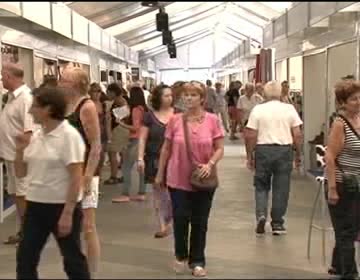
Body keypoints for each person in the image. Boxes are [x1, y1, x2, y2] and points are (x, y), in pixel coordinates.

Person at [14, 86, 90, 279]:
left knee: (72, 260)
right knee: (25, 258)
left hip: (61, 207)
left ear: (48, 109)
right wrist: (20, 150)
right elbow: (21, 173)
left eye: (35, 106)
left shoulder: (69, 137)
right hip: (35, 206)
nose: (30, 111)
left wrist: (68, 213)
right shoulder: (38, 135)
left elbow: (76, 177)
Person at [155, 81, 224, 277]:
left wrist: (210, 164)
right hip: (177, 178)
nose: (189, 98)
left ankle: (197, 261)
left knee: (200, 221)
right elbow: (166, 149)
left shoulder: (212, 120)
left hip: (204, 179)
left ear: (202, 98)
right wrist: (160, 173)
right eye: (186, 95)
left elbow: (219, 148)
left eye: (193, 95)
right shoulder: (175, 121)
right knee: (181, 217)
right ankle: (180, 254)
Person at [59, 67, 101, 276]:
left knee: (88, 227)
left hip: (85, 173)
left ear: (76, 84)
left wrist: (87, 176)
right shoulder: (67, 104)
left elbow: (96, 145)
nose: (60, 83)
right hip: (66, 174)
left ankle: (91, 273)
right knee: (70, 228)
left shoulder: (87, 107)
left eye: (64, 80)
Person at [245, 81, 302, 236]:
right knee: (281, 188)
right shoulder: (289, 109)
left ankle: (261, 215)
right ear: (281, 93)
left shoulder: (258, 109)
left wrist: (249, 155)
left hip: (263, 150)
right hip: (284, 150)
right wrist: (299, 154)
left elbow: (250, 134)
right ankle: (277, 223)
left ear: (264, 93)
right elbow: (297, 134)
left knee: (261, 185)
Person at [325, 79, 360, 279]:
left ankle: (337, 265)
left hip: (357, 184)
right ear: (342, 102)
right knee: (347, 230)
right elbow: (330, 156)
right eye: (353, 99)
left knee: (350, 227)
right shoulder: (340, 124)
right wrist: (332, 189)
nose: (358, 102)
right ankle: (350, 273)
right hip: (341, 184)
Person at [0, 63, 35, 245]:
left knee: (23, 194)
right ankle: (24, 230)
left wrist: (21, 159)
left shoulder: (25, 99)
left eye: (3, 76)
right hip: (10, 156)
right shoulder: (11, 99)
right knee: (16, 194)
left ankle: (29, 233)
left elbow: (29, 132)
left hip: (19, 158)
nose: (1, 79)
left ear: (10, 76)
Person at [137, 85, 174, 238]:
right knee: (158, 192)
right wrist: (140, 158)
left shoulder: (178, 114)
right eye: (166, 95)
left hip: (174, 159)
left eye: (171, 95)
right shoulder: (149, 116)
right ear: (158, 98)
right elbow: (142, 138)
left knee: (173, 193)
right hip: (154, 158)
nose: (170, 98)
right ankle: (162, 225)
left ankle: (171, 217)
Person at [112, 86, 148, 203]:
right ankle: (142, 192)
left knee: (126, 167)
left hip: (135, 140)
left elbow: (135, 128)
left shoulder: (135, 110)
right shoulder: (144, 109)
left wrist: (121, 124)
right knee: (141, 168)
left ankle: (125, 194)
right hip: (143, 140)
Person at [104, 83, 129, 185]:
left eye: (108, 92)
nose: (107, 94)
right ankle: (123, 175)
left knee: (112, 153)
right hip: (122, 128)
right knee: (122, 153)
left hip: (118, 129)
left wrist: (110, 117)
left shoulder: (119, 101)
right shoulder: (121, 100)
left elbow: (123, 115)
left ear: (113, 92)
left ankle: (113, 176)